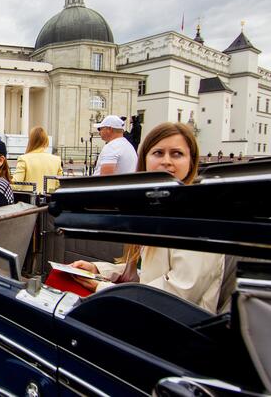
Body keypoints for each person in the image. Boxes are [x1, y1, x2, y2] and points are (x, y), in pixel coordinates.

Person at [69, 122, 226, 313]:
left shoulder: (200, 216)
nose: (167, 161)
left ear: (191, 162)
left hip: (176, 331)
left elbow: (177, 295)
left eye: (177, 154)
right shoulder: (159, 209)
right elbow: (147, 273)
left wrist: (102, 288)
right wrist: (99, 271)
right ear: (145, 159)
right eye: (158, 153)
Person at [12, 126, 63, 193]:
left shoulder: (24, 159)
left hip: (29, 200)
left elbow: (16, 185)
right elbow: (59, 184)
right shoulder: (56, 160)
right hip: (49, 199)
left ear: (31, 141)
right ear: (46, 140)